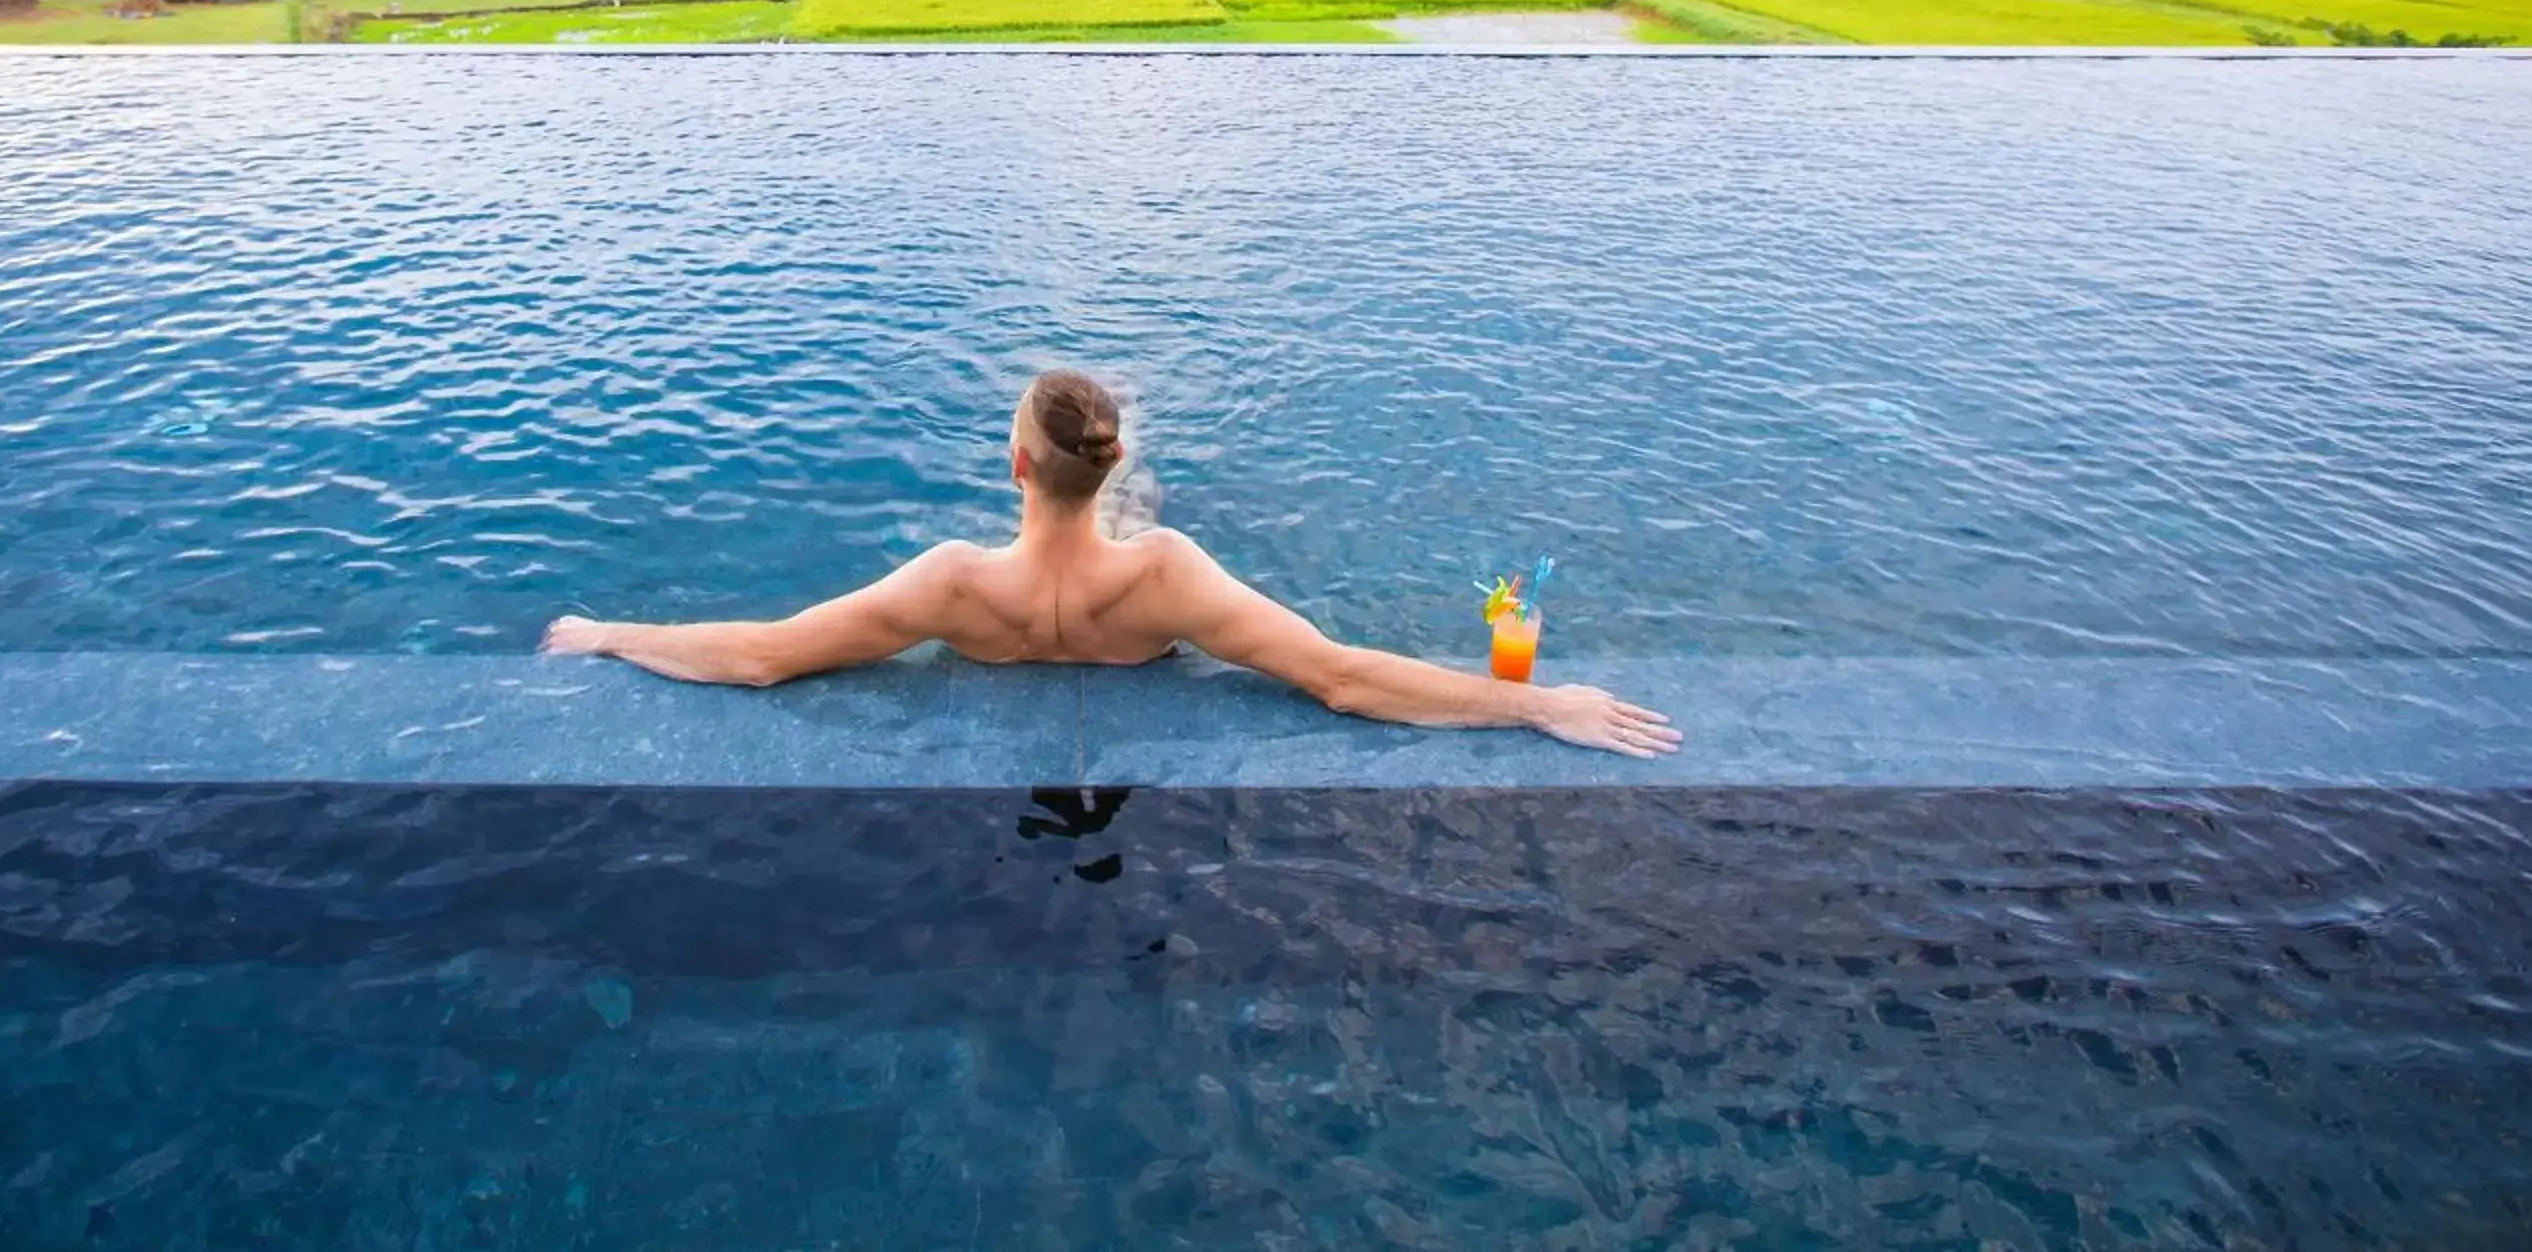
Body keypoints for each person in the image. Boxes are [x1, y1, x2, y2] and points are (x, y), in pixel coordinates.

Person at [540, 370, 1684, 758]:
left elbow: (758, 658)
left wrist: (609, 634)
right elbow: (1341, 677)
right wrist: (1533, 708)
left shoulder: (949, 584)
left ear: (1013, 466)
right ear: (1105, 464)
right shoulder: (1168, 577)